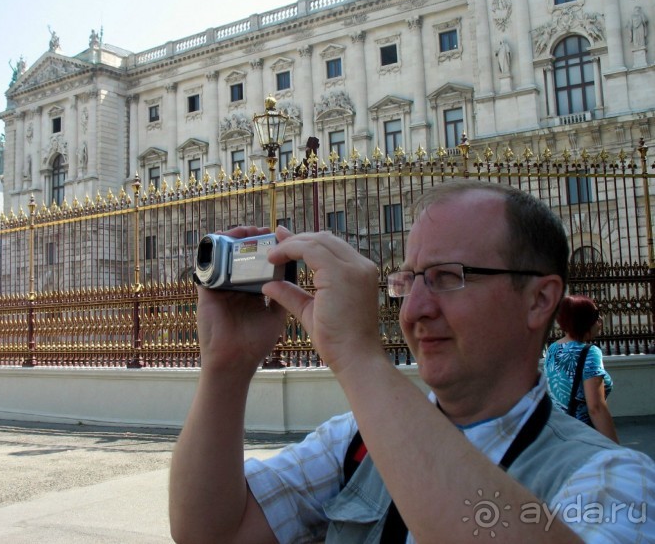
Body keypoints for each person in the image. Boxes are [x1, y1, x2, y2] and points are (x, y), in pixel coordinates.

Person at [169, 179, 654, 543]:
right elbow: (213, 532)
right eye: (409, 280)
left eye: (448, 277)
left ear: (538, 299)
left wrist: (358, 355)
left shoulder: (616, 481)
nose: (414, 309)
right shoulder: (354, 441)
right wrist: (226, 366)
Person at [545, 295, 618, 442]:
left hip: (560, 435)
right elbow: (596, 407)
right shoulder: (590, 352)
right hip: (585, 438)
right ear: (585, 320)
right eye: (596, 315)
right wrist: (615, 447)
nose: (601, 320)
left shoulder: (553, 349)